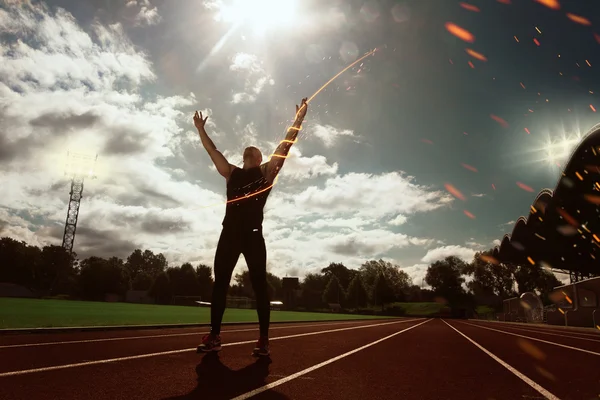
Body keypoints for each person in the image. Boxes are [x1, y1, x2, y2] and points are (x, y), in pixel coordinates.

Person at [195, 98, 309, 356]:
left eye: (255, 151)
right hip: (229, 234)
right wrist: (201, 130)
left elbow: (285, 146)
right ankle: (214, 336)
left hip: (254, 237)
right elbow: (213, 152)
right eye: (247, 151)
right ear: (244, 158)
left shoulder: (266, 173)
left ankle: (264, 340)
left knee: (260, 287)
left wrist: (298, 119)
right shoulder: (232, 173)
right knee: (220, 283)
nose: (250, 151)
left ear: (259, 159)